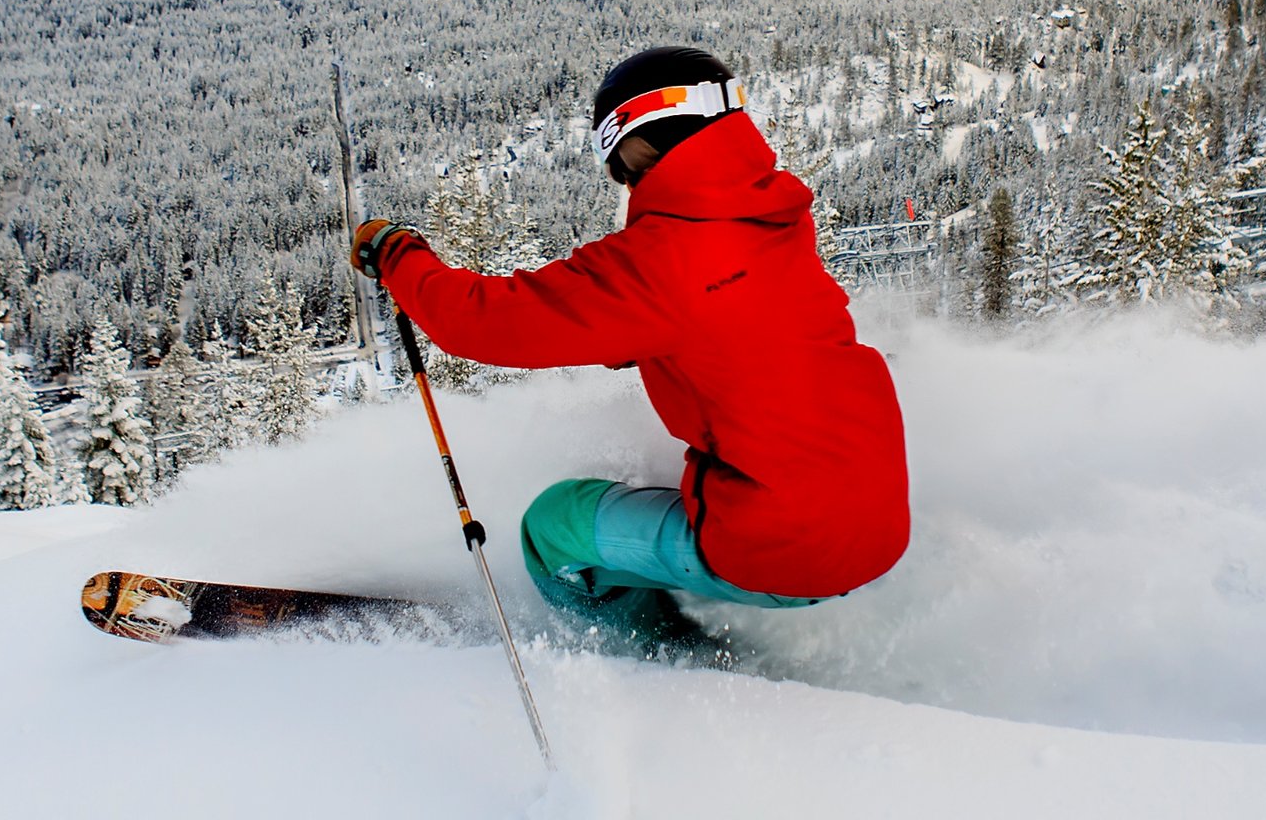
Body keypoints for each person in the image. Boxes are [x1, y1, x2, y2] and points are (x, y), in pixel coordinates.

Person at [350, 46, 909, 649]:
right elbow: (727, 318)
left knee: (552, 525)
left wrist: (396, 255)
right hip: (879, 523)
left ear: (629, 140)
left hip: (788, 547)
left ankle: (660, 659)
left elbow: (478, 323)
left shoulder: (656, 261)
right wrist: (634, 338)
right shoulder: (774, 217)